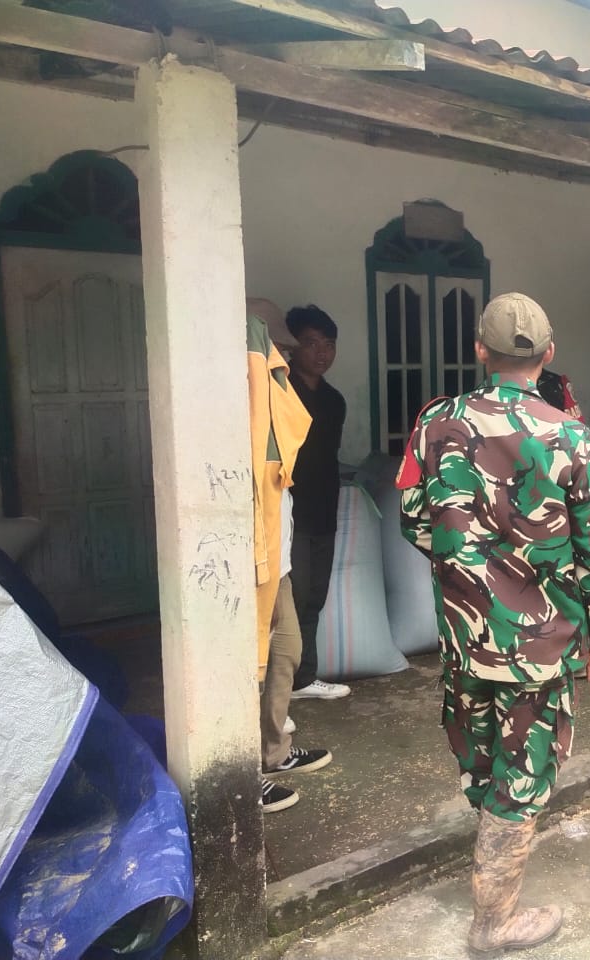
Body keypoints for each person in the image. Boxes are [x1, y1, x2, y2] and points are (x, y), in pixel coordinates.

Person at [397, 291, 590, 953]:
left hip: (465, 635)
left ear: (479, 351)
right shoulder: (571, 435)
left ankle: (492, 866)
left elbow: (414, 519)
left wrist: (469, 568)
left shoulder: (435, 423)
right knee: (523, 773)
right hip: (540, 643)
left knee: (483, 758)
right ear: (549, 354)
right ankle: (493, 920)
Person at [246, 299, 333, 812]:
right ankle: (239, 775)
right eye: (274, 345)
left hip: (276, 551)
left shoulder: (276, 391)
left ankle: (273, 752)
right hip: (248, 554)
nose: (281, 353)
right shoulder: (243, 393)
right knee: (248, 665)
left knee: (285, 651)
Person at [285, 305, 351, 701]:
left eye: (329, 344)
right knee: (289, 601)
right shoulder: (280, 393)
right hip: (288, 512)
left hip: (323, 509)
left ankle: (303, 679)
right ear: (293, 347)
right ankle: (280, 685)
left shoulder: (333, 400)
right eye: (311, 343)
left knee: (313, 597)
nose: (322, 353)